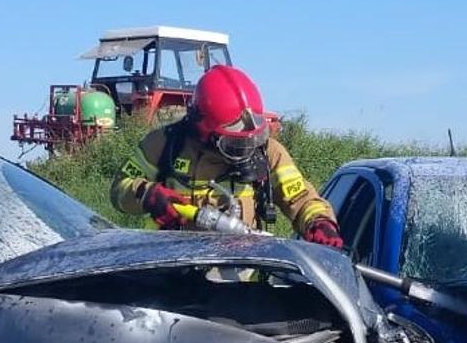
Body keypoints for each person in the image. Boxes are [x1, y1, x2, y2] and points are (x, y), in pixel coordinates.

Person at [110, 65, 344, 248]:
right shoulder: (162, 145)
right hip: (169, 272)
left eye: (251, 138)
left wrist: (320, 222)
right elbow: (119, 189)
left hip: (239, 280)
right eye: (234, 143)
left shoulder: (267, 152)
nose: (246, 147)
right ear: (204, 130)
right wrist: (147, 195)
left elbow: (301, 199)